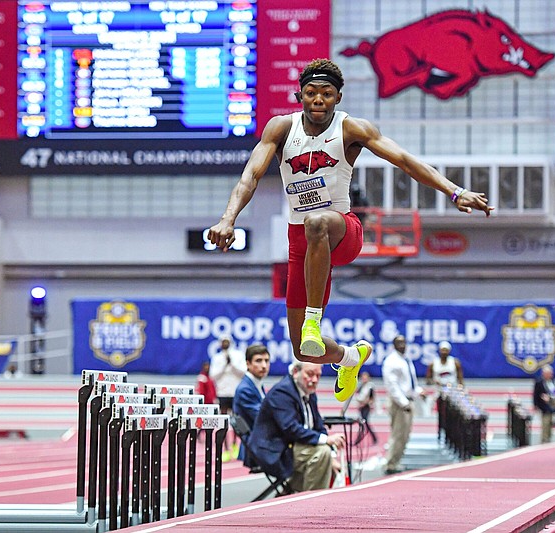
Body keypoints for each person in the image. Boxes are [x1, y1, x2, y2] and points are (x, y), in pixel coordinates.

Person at [208, 58, 493, 403]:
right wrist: (228, 218)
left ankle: (315, 319)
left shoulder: (350, 129)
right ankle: (349, 357)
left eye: (326, 94)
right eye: (311, 93)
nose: (318, 100)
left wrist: (454, 191)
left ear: (338, 97)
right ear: (300, 95)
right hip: (301, 242)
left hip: (342, 231)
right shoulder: (281, 129)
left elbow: (404, 160)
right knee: (304, 350)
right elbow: (250, 176)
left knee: (316, 222)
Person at [247, 360, 345, 492]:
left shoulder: (309, 391)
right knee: (322, 454)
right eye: (310, 374)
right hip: (275, 451)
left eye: (318, 375)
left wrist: (333, 456)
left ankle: (293, 495)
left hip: (294, 447)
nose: (314, 380)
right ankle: (311, 503)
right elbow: (291, 428)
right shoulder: (282, 392)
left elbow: (318, 426)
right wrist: (326, 441)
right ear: (295, 372)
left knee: (327, 457)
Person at [382, 335, 422, 474]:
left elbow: (409, 383)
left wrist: (418, 392)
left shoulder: (405, 359)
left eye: (404, 342)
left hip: (407, 400)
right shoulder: (391, 361)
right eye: (399, 343)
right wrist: (403, 403)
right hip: (399, 403)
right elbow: (392, 385)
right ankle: (391, 463)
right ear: (393, 345)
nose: (402, 345)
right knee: (398, 434)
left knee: (404, 434)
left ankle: (396, 461)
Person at [232, 344, 271, 467]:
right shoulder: (245, 389)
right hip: (257, 449)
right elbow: (263, 418)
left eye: (266, 361)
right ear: (248, 364)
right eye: (259, 361)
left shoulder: (256, 384)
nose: (264, 365)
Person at [209, 337, 245, 461]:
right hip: (222, 392)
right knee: (222, 422)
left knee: (236, 421)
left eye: (227, 341)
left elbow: (243, 372)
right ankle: (224, 449)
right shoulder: (217, 358)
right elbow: (213, 376)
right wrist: (224, 365)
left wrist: (232, 364)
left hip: (235, 392)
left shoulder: (238, 355)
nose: (225, 344)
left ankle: (235, 445)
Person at [533, 365, 555, 444]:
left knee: (551, 422)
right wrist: (536, 405)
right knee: (545, 423)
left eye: (551, 373)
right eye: (549, 373)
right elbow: (535, 395)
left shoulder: (552, 381)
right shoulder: (539, 382)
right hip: (543, 406)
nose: (550, 375)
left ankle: (549, 437)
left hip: (552, 405)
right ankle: (544, 439)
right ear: (544, 374)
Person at [353, 371, 377, 445]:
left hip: (366, 407)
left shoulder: (370, 387)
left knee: (364, 423)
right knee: (364, 423)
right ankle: (372, 438)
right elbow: (358, 395)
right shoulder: (361, 386)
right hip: (361, 407)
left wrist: (365, 403)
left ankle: (358, 440)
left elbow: (372, 399)